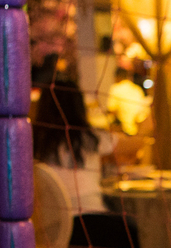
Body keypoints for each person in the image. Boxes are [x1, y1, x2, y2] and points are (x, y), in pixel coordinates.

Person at [32, 74, 115, 216]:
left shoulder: (33, 141)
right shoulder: (90, 137)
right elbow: (132, 145)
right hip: (94, 216)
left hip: (53, 222)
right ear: (79, 105)